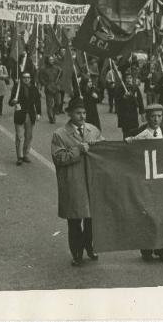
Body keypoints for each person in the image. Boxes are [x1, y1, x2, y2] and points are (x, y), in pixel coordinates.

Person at [51, 97, 104, 266]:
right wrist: (78, 150)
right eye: (78, 113)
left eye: (84, 113)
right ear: (69, 114)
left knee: (91, 219)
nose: (82, 116)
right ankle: (77, 253)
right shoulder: (60, 134)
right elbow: (58, 158)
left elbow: (104, 150)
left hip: (91, 182)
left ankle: (90, 247)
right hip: (73, 183)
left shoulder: (93, 130)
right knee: (75, 221)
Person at [125, 104, 163, 262]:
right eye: (153, 116)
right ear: (147, 117)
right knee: (146, 215)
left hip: (162, 181)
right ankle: (146, 249)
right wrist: (128, 142)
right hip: (144, 181)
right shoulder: (137, 133)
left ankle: (162, 251)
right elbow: (125, 153)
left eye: (159, 116)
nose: (156, 119)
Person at [8, 72, 41, 166]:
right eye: (24, 78)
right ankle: (19, 157)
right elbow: (10, 102)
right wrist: (13, 101)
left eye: (28, 77)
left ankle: (26, 154)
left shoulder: (34, 88)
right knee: (19, 136)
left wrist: (38, 113)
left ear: (30, 79)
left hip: (30, 115)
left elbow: (38, 101)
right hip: (19, 114)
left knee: (29, 136)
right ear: (21, 79)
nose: (26, 79)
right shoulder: (17, 88)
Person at [115, 71, 145, 138]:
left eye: (130, 78)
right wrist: (123, 98)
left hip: (133, 114)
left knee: (135, 132)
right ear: (124, 79)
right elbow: (117, 101)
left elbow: (140, 101)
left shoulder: (135, 88)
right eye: (127, 78)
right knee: (126, 133)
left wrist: (142, 113)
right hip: (124, 114)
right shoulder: (120, 88)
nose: (129, 80)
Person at [38, 55, 63, 124]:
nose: (51, 61)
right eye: (50, 59)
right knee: (49, 104)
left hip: (56, 87)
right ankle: (51, 117)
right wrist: (46, 84)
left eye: (52, 59)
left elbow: (61, 75)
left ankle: (53, 113)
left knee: (58, 102)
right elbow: (41, 78)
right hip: (48, 88)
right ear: (47, 60)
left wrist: (59, 80)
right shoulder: (43, 69)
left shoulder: (57, 68)